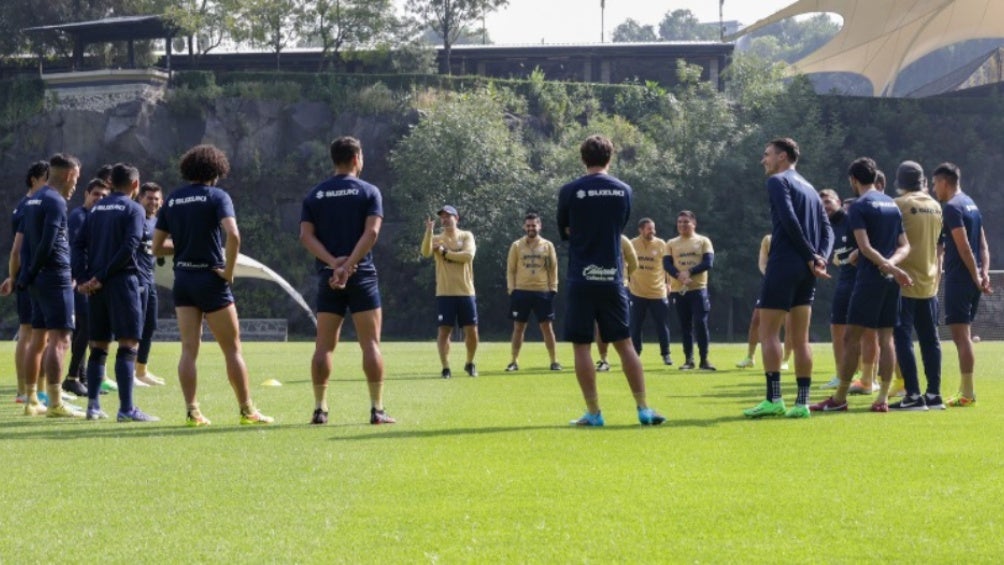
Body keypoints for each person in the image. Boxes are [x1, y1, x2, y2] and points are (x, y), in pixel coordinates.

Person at [152, 144, 273, 426]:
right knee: (232, 349)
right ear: (216, 170)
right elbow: (233, 235)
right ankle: (247, 411)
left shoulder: (173, 199)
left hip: (183, 280)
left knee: (188, 350)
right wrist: (228, 271)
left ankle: (192, 412)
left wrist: (183, 246)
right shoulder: (217, 196)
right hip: (211, 279)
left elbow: (157, 247)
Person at [557, 134, 665, 426]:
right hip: (613, 278)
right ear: (610, 158)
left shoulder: (569, 190)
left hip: (581, 276)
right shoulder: (624, 190)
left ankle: (594, 413)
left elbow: (563, 230)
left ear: (583, 158)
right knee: (624, 344)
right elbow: (619, 225)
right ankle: (643, 408)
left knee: (581, 346)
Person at [299, 136, 395, 425]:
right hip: (361, 275)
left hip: (329, 277)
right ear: (356, 159)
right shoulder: (369, 192)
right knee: (371, 345)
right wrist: (350, 265)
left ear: (334, 160)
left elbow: (305, 236)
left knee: (324, 347)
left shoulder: (315, 195)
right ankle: (377, 410)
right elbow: (372, 233)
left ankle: (320, 409)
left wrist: (334, 264)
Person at [811, 157, 912, 413]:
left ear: (853, 180)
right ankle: (882, 399)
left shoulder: (858, 206)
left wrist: (887, 266)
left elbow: (864, 247)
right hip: (891, 281)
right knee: (886, 337)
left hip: (869, 280)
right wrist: (893, 266)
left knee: (851, 337)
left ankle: (840, 398)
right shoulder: (891, 204)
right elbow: (905, 246)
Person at [743, 138, 832, 420]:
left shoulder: (778, 182)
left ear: (782, 156)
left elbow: (789, 219)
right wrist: (820, 258)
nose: (763, 160)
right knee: (801, 338)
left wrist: (809, 254)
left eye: (766, 154)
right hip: (808, 270)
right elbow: (827, 229)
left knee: (769, 333)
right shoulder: (811, 189)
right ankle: (802, 403)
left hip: (783, 264)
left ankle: (774, 400)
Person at [76, 163, 159, 422]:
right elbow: (130, 246)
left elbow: (77, 244)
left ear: (110, 183)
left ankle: (93, 406)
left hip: (96, 287)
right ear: (135, 185)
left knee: (98, 345)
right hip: (122, 283)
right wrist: (100, 277)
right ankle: (126, 408)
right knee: (128, 343)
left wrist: (84, 278)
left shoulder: (96, 208)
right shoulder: (134, 209)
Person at [18, 153, 84, 417]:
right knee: (60, 339)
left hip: (37, 279)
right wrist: (34, 270)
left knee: (38, 339)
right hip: (54, 277)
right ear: (68, 175)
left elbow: (24, 243)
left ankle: (32, 399)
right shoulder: (55, 201)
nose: (76, 185)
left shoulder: (32, 199)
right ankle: (55, 403)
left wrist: (26, 274)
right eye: (77, 179)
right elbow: (47, 242)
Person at [932, 162, 991, 407]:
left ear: (945, 182)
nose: (934, 189)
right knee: (964, 335)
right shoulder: (972, 204)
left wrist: (976, 276)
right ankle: (967, 391)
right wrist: (983, 273)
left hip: (960, 278)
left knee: (961, 337)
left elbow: (965, 245)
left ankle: (967, 393)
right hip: (972, 277)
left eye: (935, 184)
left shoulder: (953, 208)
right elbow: (983, 245)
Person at [888, 161, 944, 410]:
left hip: (904, 281)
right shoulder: (935, 206)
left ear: (899, 181)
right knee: (930, 339)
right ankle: (934, 394)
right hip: (930, 281)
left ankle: (912, 394)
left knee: (903, 338)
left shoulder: (898, 205)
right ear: (922, 181)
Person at [1, 161, 50, 404]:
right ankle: (26, 391)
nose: (49, 183)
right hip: (29, 278)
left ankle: (31, 391)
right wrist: (14, 277)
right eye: (45, 178)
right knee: (30, 333)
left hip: (27, 277)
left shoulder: (28, 205)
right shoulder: (28, 207)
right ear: (34, 180)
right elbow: (16, 251)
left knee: (33, 333)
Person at [64, 177, 111, 397]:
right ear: (86, 194)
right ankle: (72, 377)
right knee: (86, 329)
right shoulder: (78, 217)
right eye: (96, 195)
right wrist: (80, 279)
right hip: (81, 282)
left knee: (86, 330)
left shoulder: (98, 219)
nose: (99, 199)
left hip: (91, 282)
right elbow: (75, 249)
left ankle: (81, 378)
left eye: (104, 196)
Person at [421, 205, 478, 378]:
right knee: (444, 332)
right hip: (444, 293)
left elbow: (468, 256)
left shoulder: (466, 235)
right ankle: (445, 368)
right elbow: (425, 253)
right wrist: (429, 231)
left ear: (456, 218)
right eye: (442, 217)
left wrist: (445, 253)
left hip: (466, 291)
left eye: (448, 216)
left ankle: (469, 363)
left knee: (472, 332)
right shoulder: (437, 238)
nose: (445, 219)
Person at [505, 212, 561, 372]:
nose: (531, 228)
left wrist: (553, 288)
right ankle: (513, 361)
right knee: (518, 328)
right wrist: (512, 289)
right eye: (528, 225)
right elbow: (511, 269)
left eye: (534, 225)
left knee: (547, 328)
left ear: (539, 226)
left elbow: (553, 268)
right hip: (521, 292)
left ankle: (554, 361)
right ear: (524, 226)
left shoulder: (547, 245)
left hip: (542, 292)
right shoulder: (516, 246)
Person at [665, 210, 716, 371]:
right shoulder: (671, 243)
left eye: (686, 222)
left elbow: (708, 263)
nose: (682, 225)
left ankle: (704, 360)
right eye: (680, 222)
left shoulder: (703, 241)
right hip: (679, 290)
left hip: (698, 289)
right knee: (685, 325)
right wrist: (679, 276)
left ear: (694, 224)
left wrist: (690, 272)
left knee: (700, 323)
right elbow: (666, 264)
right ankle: (689, 360)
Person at [736, 235, 794, 370]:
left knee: (788, 324)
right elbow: (762, 263)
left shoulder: (797, 237)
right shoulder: (768, 239)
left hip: (791, 285)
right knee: (756, 320)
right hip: (770, 284)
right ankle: (750, 357)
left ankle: (785, 360)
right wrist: (772, 276)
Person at [627, 218, 673, 366]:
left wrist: (669, 284)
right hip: (637, 291)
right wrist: (625, 281)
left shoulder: (661, 244)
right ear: (640, 230)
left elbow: (667, 266)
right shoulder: (632, 244)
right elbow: (624, 263)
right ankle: (635, 355)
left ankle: (666, 354)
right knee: (636, 325)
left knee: (662, 324)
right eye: (649, 229)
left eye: (653, 228)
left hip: (658, 292)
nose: (652, 231)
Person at [134, 182, 166, 387]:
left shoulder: (160, 223)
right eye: (149, 198)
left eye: (156, 199)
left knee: (150, 323)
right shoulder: (134, 219)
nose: (153, 202)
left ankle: (141, 370)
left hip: (149, 278)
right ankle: (129, 373)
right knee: (133, 326)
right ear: (140, 199)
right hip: (134, 279)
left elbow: (159, 248)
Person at [595, 235, 637, 372]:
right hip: (598, 286)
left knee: (622, 326)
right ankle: (604, 360)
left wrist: (623, 278)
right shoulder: (593, 237)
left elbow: (633, 263)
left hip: (619, 287)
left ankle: (627, 361)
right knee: (600, 326)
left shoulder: (622, 240)